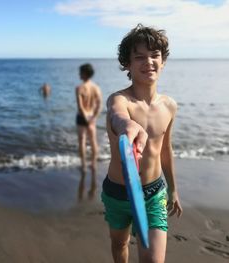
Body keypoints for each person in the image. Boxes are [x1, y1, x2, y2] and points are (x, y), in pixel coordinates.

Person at [101, 24, 183, 263]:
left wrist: (174, 188)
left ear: (163, 61)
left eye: (154, 55)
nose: (149, 62)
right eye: (139, 57)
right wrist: (128, 126)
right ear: (127, 64)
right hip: (118, 191)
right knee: (120, 244)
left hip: (154, 192)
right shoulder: (120, 100)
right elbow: (117, 116)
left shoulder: (169, 105)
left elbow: (165, 149)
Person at [75, 63, 102, 184]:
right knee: (93, 141)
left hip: (82, 118)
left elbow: (80, 107)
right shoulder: (96, 87)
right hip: (91, 117)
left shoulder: (79, 88)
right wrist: (93, 117)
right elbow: (99, 104)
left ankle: (84, 165)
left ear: (84, 73)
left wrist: (86, 119)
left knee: (82, 141)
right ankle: (94, 164)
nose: (79, 74)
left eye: (80, 72)